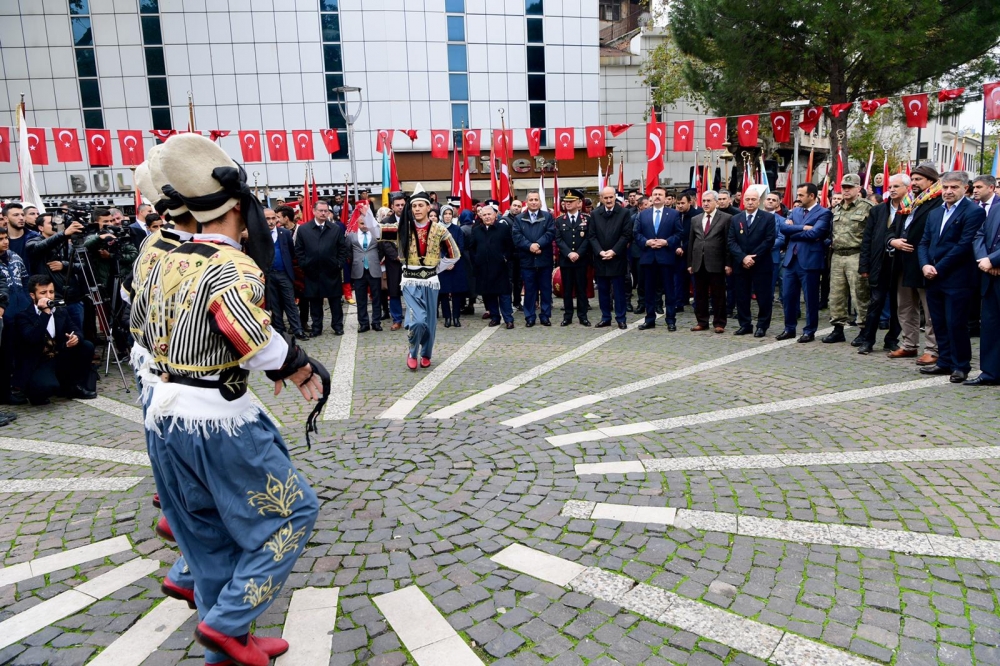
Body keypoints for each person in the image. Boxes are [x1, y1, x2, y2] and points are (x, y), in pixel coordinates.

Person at [136, 133, 325, 666]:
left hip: (163, 416)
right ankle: (227, 622)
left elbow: (137, 326)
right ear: (236, 208)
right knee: (292, 515)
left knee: (209, 536)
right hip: (218, 420)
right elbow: (251, 338)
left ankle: (227, 646)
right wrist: (300, 365)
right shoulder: (231, 266)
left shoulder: (156, 253)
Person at [918, 171, 986, 383]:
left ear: (965, 188)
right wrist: (925, 265)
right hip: (933, 277)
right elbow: (923, 242)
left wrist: (938, 267)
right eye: (945, 187)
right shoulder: (935, 213)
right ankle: (944, 361)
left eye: (954, 187)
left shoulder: (973, 212)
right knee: (938, 321)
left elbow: (964, 245)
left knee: (956, 323)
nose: (948, 191)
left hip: (958, 278)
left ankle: (961, 365)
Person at [396, 185, 461, 369]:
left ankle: (426, 353)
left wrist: (438, 267)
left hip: (431, 281)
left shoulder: (439, 229)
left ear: (428, 207)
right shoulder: (404, 227)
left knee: (430, 322)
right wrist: (366, 214)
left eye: (420, 205)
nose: (416, 209)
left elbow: (454, 253)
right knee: (417, 320)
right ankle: (412, 350)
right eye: (414, 206)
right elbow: (380, 233)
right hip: (410, 280)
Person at [13, 275, 96, 404]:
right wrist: (45, 314)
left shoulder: (60, 311)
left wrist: (76, 337)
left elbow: (77, 329)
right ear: (32, 295)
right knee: (44, 389)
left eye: (51, 292)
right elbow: (32, 338)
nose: (49, 296)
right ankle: (38, 389)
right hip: (38, 361)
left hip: (59, 356)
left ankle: (74, 386)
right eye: (43, 293)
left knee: (86, 346)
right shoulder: (23, 316)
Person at [888, 164, 940, 365]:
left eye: (919, 179)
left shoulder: (936, 202)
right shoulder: (908, 202)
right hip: (903, 262)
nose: (915, 183)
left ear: (931, 181)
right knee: (905, 307)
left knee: (929, 310)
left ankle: (932, 349)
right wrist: (893, 241)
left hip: (924, 263)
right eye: (913, 179)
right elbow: (892, 229)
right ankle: (909, 345)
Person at [857, 174, 906, 355]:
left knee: (897, 304)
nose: (892, 189)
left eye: (896, 186)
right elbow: (867, 239)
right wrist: (864, 266)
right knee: (875, 302)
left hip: (899, 265)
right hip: (879, 263)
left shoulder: (909, 209)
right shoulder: (878, 211)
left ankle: (892, 339)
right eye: (890, 186)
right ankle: (868, 340)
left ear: (906, 189)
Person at [776, 183, 832, 343]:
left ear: (812, 196)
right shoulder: (795, 211)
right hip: (791, 261)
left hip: (810, 261)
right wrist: (804, 228)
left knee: (810, 298)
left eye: (801, 195)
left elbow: (816, 232)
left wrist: (796, 231)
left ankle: (809, 330)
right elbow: (783, 229)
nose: (798, 198)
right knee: (788, 297)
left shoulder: (824, 213)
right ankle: (789, 329)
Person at [823, 174, 873, 345]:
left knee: (860, 294)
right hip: (837, 255)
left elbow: (872, 235)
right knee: (836, 295)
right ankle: (838, 329)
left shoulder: (868, 208)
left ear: (858, 189)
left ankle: (864, 330)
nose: (846, 190)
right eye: (843, 187)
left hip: (856, 255)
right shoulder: (836, 209)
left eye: (850, 187)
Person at [294, 199, 349, 337]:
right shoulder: (304, 229)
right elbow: (299, 250)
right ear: (314, 211)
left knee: (335, 301)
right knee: (315, 302)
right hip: (312, 272)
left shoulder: (335, 229)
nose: (323, 213)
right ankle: (316, 327)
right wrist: (304, 264)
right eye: (321, 211)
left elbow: (342, 249)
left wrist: (338, 264)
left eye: (326, 211)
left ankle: (337, 326)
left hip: (332, 271)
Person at [728, 186, 776, 337]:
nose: (750, 202)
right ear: (743, 200)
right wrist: (743, 257)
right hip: (741, 264)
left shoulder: (768, 218)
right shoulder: (736, 219)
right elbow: (731, 241)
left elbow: (769, 240)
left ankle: (762, 325)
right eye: (747, 199)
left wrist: (752, 257)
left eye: (753, 199)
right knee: (741, 296)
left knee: (763, 297)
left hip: (760, 263)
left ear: (759, 201)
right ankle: (745, 324)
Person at [27, 212, 87, 332]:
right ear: (40, 227)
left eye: (57, 223)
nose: (55, 225)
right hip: (52, 300)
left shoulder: (68, 244)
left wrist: (64, 265)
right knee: (56, 335)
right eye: (51, 223)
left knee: (77, 335)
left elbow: (84, 266)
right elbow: (40, 247)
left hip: (73, 299)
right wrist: (63, 234)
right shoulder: (33, 242)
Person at [635, 186, 683, 331]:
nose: (657, 197)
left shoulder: (673, 214)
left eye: (660, 195)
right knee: (648, 290)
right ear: (651, 196)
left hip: (666, 257)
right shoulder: (643, 215)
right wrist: (646, 242)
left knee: (669, 291)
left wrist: (666, 242)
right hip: (648, 258)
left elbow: (679, 233)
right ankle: (649, 319)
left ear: (665, 197)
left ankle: (670, 320)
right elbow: (636, 233)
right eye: (655, 194)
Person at [968, 176, 1000, 385]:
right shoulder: (995, 209)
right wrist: (984, 259)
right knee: (990, 327)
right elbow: (980, 235)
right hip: (990, 276)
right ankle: (990, 373)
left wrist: (994, 259)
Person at [688, 191, 732, 333]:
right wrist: (690, 263)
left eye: (709, 201)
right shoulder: (695, 219)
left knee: (718, 295)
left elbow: (727, 243)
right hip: (698, 262)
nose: (705, 204)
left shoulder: (726, 218)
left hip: (716, 263)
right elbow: (691, 242)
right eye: (704, 201)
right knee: (699, 295)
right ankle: (702, 321)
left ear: (716, 202)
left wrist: (728, 263)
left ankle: (719, 323)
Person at [591, 186, 633, 329]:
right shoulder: (595, 214)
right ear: (601, 198)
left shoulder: (624, 213)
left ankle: (621, 318)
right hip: (601, 258)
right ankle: (605, 317)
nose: (609, 200)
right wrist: (600, 252)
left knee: (619, 291)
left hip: (617, 258)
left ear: (615, 197)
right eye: (606, 198)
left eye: (611, 197)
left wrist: (614, 251)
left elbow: (626, 235)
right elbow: (592, 236)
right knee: (602, 290)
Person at [513, 192, 556, 327]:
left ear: (540, 202)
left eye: (536, 199)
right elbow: (516, 236)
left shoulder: (548, 216)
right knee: (530, 290)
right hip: (527, 260)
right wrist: (530, 246)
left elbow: (551, 233)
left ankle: (545, 316)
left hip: (544, 259)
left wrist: (538, 244)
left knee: (546, 289)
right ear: (526, 202)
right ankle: (530, 317)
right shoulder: (519, 218)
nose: (533, 202)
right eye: (531, 199)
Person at [264, 208, 308, 340]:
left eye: (273, 218)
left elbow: (291, 252)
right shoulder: (258, 235)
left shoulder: (285, 233)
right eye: (268, 219)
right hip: (268, 276)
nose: (271, 222)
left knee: (290, 303)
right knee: (275, 305)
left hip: (284, 274)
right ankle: (280, 331)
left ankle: (298, 330)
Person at [0, 226, 31, 406]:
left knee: (21, 351)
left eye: (6, 238)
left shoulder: (14, 256)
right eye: (1, 239)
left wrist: (27, 301)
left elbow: (26, 279)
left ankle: (18, 386)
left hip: (22, 310)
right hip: (5, 314)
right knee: (6, 355)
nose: (5, 242)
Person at [471, 203, 515, 328]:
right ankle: (495, 317)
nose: (487, 217)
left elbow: (510, 246)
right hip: (484, 268)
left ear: (495, 215)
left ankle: (508, 319)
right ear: (481, 216)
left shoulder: (503, 228)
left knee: (504, 294)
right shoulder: (476, 230)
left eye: (489, 214)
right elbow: (472, 248)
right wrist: (476, 260)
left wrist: (505, 258)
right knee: (489, 294)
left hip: (500, 267)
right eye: (484, 215)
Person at [555, 188, 593, 326]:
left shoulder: (587, 219)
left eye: (571, 201)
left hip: (581, 260)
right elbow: (558, 239)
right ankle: (568, 316)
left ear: (579, 203)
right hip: (566, 260)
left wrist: (578, 253)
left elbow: (589, 238)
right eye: (566, 201)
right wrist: (569, 253)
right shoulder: (560, 220)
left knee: (581, 289)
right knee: (567, 290)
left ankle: (582, 316)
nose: (568, 204)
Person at [346, 202, 383, 333]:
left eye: (366, 223)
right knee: (361, 299)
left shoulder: (375, 233)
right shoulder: (352, 236)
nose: (365, 226)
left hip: (374, 269)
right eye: (362, 224)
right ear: (358, 223)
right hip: (358, 270)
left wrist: (377, 259)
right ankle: (363, 323)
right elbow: (348, 252)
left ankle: (376, 322)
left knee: (376, 298)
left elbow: (381, 249)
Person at [437, 205, 467, 328]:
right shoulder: (437, 229)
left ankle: (456, 317)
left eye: (450, 214)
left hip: (456, 264)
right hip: (442, 265)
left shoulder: (457, 229)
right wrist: (445, 262)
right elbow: (437, 248)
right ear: (442, 215)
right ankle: (447, 318)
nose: (448, 216)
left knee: (456, 292)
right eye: (445, 214)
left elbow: (460, 246)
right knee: (444, 293)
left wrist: (452, 261)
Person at [379, 194, 406, 330]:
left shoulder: (410, 219)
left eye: (402, 204)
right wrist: (397, 256)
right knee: (394, 291)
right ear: (392, 206)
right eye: (397, 205)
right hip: (393, 262)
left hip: (410, 261)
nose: (400, 207)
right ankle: (397, 319)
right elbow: (386, 243)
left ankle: (413, 319)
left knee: (410, 290)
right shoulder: (386, 222)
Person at [3, 202, 40, 272]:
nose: (21, 218)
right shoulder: (2, 239)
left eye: (22, 215)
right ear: (6, 219)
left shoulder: (35, 237)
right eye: (16, 215)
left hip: (33, 280)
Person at [502, 199, 524, 310]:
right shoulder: (504, 220)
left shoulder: (523, 220)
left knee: (519, 280)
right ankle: (507, 304)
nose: (516, 208)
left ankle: (517, 302)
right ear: (510, 206)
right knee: (509, 280)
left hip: (520, 255)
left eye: (519, 206)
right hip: (509, 256)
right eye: (514, 205)